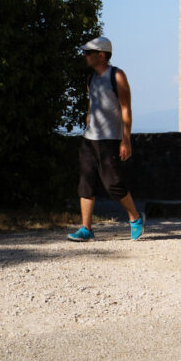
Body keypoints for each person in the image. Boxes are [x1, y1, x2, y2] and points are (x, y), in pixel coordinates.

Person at [68, 36, 145, 241]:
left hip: (110, 139)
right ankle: (86, 228)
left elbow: (126, 108)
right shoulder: (91, 78)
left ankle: (135, 217)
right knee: (86, 182)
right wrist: (86, 127)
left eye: (88, 52)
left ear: (101, 55)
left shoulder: (117, 76)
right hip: (89, 138)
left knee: (113, 183)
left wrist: (125, 139)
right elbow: (92, 106)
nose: (84, 56)